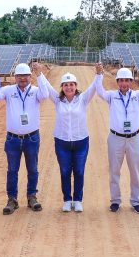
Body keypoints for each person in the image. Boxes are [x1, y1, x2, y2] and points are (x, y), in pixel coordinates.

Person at [94, 58, 139, 214]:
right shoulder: (111, 96)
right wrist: (99, 75)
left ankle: (136, 201)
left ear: (131, 81)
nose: (124, 83)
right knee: (114, 171)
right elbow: (99, 91)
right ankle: (115, 201)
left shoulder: (137, 96)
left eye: (127, 80)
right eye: (121, 80)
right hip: (115, 138)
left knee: (135, 171)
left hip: (134, 138)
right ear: (117, 82)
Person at [36, 63, 99, 212]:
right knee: (64, 171)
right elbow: (47, 86)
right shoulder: (57, 100)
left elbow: (94, 87)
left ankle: (77, 200)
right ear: (62, 87)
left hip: (81, 142)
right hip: (62, 142)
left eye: (71, 85)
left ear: (76, 86)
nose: (69, 87)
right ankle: (66, 200)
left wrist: (99, 74)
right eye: (65, 85)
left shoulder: (83, 99)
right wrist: (39, 74)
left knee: (79, 171)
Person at [0, 62, 49, 214]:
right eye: (19, 76)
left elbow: (45, 95)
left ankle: (32, 197)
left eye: (25, 75)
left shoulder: (35, 91)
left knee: (32, 169)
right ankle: (12, 200)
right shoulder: (8, 90)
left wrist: (40, 75)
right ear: (15, 77)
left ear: (29, 77)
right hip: (13, 138)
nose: (22, 79)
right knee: (12, 170)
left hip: (31, 138)